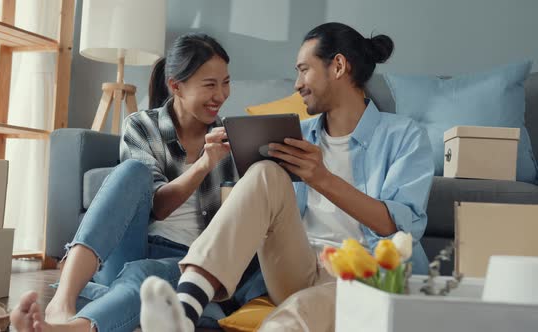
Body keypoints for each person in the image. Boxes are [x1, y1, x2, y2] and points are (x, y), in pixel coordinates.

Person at [139, 22, 435, 332]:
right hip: (298, 267)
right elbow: (256, 207)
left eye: (304, 70)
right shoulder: (297, 136)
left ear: (337, 66)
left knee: (296, 313)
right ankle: (185, 312)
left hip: (367, 278)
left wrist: (321, 178)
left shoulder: (403, 136)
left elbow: (400, 227)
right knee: (265, 172)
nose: (297, 84)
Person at [10, 33, 265, 332]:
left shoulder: (232, 137)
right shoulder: (143, 126)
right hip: (134, 246)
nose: (221, 95)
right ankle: (64, 302)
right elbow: (159, 205)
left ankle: (79, 322)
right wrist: (204, 165)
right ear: (176, 85)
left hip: (189, 261)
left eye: (226, 82)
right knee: (133, 171)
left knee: (145, 277)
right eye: (210, 85)